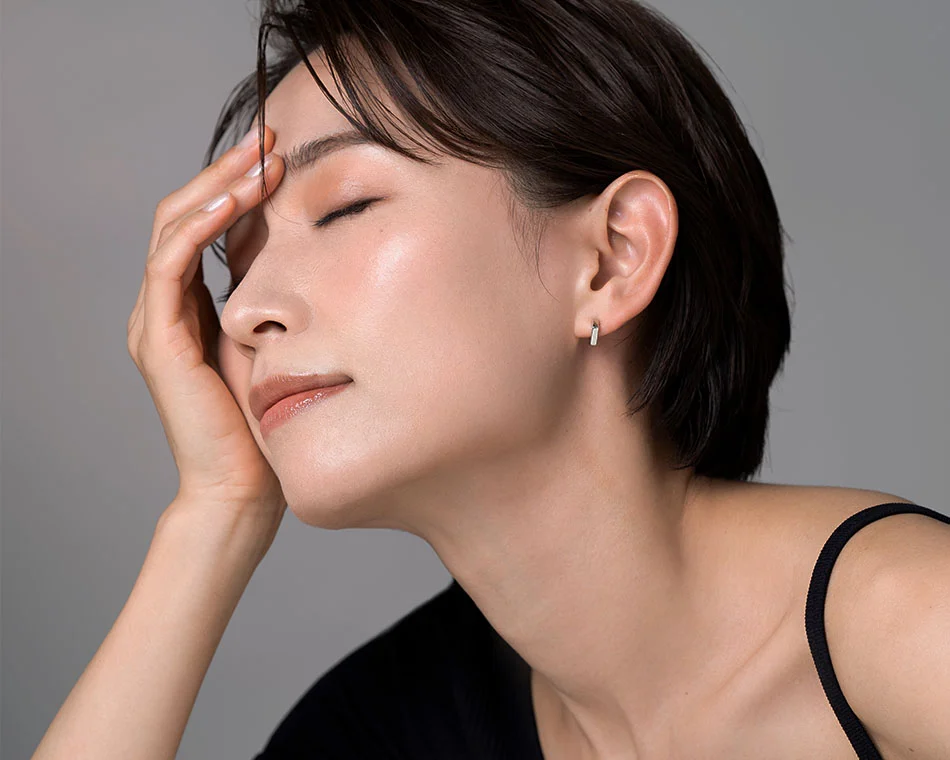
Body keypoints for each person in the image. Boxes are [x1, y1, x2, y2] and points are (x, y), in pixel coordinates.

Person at [32, 1, 950, 759]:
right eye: (234, 271)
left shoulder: (903, 622)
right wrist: (213, 515)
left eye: (345, 205)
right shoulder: (384, 729)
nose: (241, 314)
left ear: (613, 258)